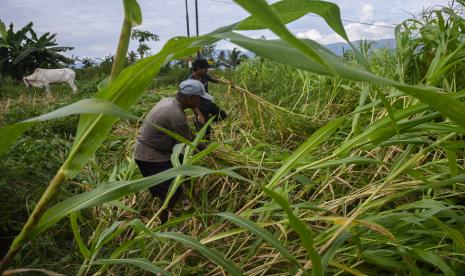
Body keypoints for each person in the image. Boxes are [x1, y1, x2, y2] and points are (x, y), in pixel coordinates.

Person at [133, 79, 205, 223]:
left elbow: (186, 135)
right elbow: (185, 148)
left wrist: (200, 144)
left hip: (147, 152)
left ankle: (180, 207)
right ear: (190, 98)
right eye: (199, 98)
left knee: (173, 187)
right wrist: (203, 153)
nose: (201, 102)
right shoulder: (176, 115)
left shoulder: (169, 101)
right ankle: (164, 224)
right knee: (172, 192)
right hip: (152, 157)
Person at [189, 58, 228, 139]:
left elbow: (214, 80)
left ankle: (204, 123)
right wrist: (199, 114)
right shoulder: (190, 82)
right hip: (200, 108)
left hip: (208, 104)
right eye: (205, 68)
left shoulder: (204, 76)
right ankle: (201, 124)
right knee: (206, 135)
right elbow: (191, 101)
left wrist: (226, 83)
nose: (207, 70)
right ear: (199, 68)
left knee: (223, 116)